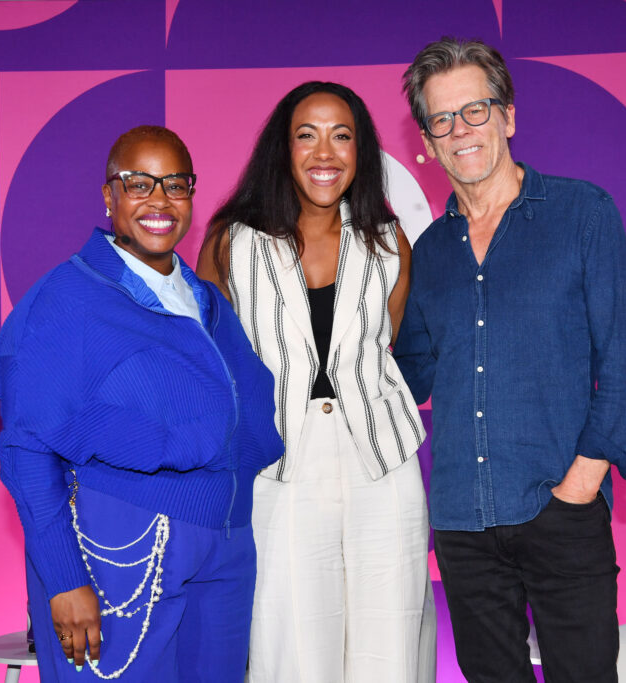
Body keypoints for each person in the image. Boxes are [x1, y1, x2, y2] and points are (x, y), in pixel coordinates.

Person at [0, 125, 283, 682]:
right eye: (139, 183)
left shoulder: (206, 299)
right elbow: (27, 447)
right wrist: (62, 577)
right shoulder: (68, 298)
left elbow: (244, 420)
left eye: (175, 184)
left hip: (224, 549)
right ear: (109, 195)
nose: (159, 200)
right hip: (121, 545)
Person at [394, 38, 626, 683]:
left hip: (561, 508)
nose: (460, 130)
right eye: (442, 119)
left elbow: (623, 364)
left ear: (507, 116)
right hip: (462, 523)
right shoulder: (428, 254)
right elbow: (406, 376)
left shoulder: (583, 214)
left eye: (474, 110)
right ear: (427, 141)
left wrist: (580, 487)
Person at [198, 81, 432, 683]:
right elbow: (213, 368)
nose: (324, 152)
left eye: (341, 136)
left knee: (389, 644)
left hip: (381, 466)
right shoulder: (231, 243)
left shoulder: (389, 243)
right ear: (283, 147)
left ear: (361, 151)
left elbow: (388, 346)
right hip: (279, 469)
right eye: (307, 135)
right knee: (291, 645)